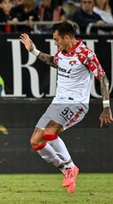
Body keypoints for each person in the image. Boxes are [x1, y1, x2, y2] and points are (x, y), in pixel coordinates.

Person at [20, 21, 113, 194]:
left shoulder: (86, 54)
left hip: (76, 103)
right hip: (58, 101)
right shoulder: (62, 51)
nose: (55, 42)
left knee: (49, 133)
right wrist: (32, 49)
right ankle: (66, 169)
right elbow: (53, 61)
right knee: (35, 141)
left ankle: (70, 167)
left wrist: (106, 107)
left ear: (67, 37)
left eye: (56, 39)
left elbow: (102, 78)